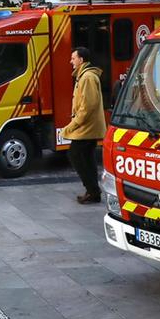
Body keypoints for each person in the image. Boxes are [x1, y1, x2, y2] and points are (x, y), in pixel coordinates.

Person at [62, 47, 107, 206]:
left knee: (76, 154)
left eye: (73, 58)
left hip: (87, 127)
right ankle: (93, 192)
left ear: (81, 60)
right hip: (89, 127)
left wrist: (72, 125)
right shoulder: (84, 76)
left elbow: (88, 106)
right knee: (87, 158)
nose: (71, 61)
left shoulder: (87, 77)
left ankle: (92, 190)